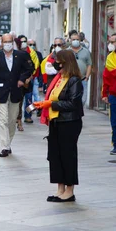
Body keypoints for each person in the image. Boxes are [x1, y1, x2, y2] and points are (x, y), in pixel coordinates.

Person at [34, 50, 84, 203]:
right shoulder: (58, 78)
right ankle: (60, 188)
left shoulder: (74, 80)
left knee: (67, 155)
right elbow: (52, 97)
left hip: (69, 122)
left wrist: (52, 104)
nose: (56, 63)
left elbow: (73, 103)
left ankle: (69, 191)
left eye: (59, 61)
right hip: (56, 120)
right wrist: (45, 104)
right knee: (55, 155)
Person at [0, 33, 34, 157]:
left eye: (9, 42)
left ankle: (8, 143)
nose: (7, 44)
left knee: (12, 120)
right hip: (1, 92)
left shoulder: (21, 55)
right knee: (3, 120)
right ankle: (4, 147)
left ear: (13, 42)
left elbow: (30, 68)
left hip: (16, 91)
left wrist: (22, 79)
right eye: (4, 41)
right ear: (1, 43)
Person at [18, 35, 39, 126]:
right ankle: (18, 117)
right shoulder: (14, 54)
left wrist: (30, 78)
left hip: (28, 81)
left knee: (29, 100)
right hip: (18, 81)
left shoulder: (29, 53)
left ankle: (28, 116)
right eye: (21, 41)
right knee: (18, 101)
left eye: (24, 41)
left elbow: (33, 67)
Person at [69, 31, 93, 104]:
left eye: (77, 39)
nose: (75, 41)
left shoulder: (86, 51)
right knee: (71, 98)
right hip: (70, 79)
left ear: (80, 40)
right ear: (70, 40)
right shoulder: (67, 51)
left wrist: (87, 77)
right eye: (73, 40)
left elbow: (89, 64)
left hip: (82, 79)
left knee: (83, 99)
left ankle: (78, 113)